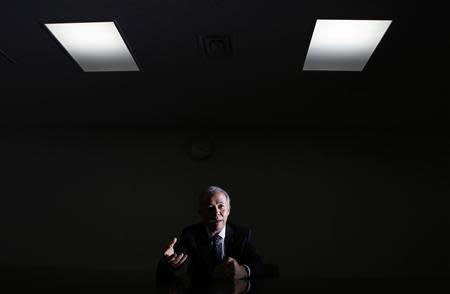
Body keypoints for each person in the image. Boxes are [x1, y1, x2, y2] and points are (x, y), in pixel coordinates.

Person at [156, 186, 262, 284]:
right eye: (210, 208)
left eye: (221, 206)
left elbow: (257, 262)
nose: (216, 213)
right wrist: (168, 263)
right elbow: (178, 258)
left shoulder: (242, 234)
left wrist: (243, 271)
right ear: (201, 213)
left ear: (229, 210)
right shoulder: (191, 234)